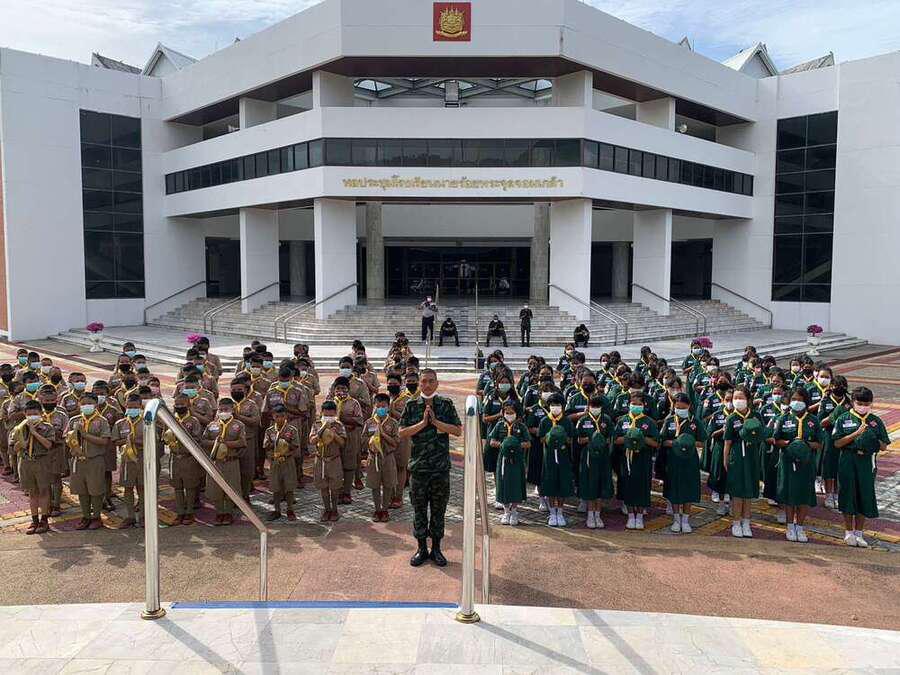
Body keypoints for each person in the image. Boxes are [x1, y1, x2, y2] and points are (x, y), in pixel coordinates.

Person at [399, 368, 461, 567]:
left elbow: (457, 430)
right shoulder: (411, 405)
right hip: (419, 468)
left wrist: (435, 422)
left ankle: (436, 549)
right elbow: (402, 432)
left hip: (439, 468)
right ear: (419, 383)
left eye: (430, 381)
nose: (427, 384)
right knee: (419, 511)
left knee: (438, 511)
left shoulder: (446, 404)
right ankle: (421, 548)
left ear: (437, 383)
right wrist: (422, 423)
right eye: (423, 381)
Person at [832, 386, 889, 547]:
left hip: (866, 462)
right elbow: (837, 443)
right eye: (860, 403)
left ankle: (859, 533)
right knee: (848, 493)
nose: (863, 406)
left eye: (866, 403)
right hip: (848, 459)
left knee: (864, 494)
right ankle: (848, 531)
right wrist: (855, 434)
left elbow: (884, 445)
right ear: (853, 402)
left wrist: (873, 438)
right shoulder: (843, 419)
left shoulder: (875, 421)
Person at [772, 387, 821, 543]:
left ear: (806, 402)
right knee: (790, 494)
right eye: (794, 399)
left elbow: (819, 443)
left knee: (804, 495)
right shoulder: (783, 419)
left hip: (806, 463)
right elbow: (776, 440)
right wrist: (788, 443)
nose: (797, 402)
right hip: (788, 462)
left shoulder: (813, 420)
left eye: (800, 400)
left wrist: (806, 444)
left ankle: (799, 526)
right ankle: (789, 526)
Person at [722, 386, 767, 538]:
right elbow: (727, 441)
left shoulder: (755, 415)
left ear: (748, 399)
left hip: (751, 456)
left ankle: (746, 523)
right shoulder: (731, 418)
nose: (737, 401)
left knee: (748, 491)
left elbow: (762, 435)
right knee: (737, 492)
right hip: (736, 457)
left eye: (741, 398)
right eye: (735, 398)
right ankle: (736, 522)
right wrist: (725, 459)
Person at [660, 393, 706, 533]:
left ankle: (685, 520)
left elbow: (702, 442)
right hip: (673, 459)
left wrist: (689, 443)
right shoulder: (669, 420)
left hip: (690, 460)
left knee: (688, 488)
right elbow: (663, 441)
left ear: (689, 406)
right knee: (674, 488)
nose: (679, 410)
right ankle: (676, 519)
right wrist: (676, 443)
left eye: (682, 407)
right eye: (677, 407)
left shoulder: (695, 422)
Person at [614, 391, 659, 530]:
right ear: (629, 404)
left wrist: (642, 438)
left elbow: (656, 442)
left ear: (643, 405)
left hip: (643, 459)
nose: (636, 406)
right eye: (633, 404)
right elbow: (615, 439)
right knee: (628, 485)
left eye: (639, 404)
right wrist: (629, 437)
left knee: (642, 486)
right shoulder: (623, 420)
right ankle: (630, 516)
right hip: (627, 459)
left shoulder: (649, 422)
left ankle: (639, 516)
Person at [66, 392, 111, 530]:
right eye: (83, 403)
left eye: (89, 403)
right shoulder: (74, 420)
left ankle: (96, 517)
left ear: (96, 404)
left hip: (95, 459)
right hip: (78, 460)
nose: (86, 406)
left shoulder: (102, 421)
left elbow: (104, 441)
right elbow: (67, 438)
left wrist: (85, 435)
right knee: (82, 491)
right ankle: (85, 516)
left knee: (96, 490)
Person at [201, 398, 246, 526]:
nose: (223, 412)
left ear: (232, 410)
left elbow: (242, 442)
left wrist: (226, 443)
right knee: (216, 488)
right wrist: (215, 443)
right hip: (216, 462)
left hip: (231, 461)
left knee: (231, 487)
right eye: (220, 410)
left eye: (226, 409)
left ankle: (228, 512)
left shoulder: (238, 425)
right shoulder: (212, 425)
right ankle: (220, 512)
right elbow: (203, 441)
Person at [13, 399, 56, 534]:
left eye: (35, 414)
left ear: (41, 413)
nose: (32, 417)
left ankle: (44, 519)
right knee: (32, 492)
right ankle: (34, 520)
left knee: (44, 490)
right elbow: (15, 448)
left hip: (41, 461)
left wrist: (35, 433)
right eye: (29, 414)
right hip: (26, 461)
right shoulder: (19, 428)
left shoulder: (47, 427)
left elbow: (48, 445)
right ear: (25, 414)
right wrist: (24, 439)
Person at [574, 395, 614, 529]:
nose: (595, 409)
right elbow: (579, 440)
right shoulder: (583, 420)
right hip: (588, 456)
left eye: (597, 406)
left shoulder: (606, 420)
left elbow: (610, 438)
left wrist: (601, 440)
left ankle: (598, 514)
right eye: (593, 406)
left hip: (603, 456)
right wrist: (591, 438)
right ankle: (590, 514)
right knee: (590, 484)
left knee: (600, 484)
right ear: (588, 407)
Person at [164, 392, 204, 525]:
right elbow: (165, 437)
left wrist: (182, 436)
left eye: (182, 404)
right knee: (177, 486)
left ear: (188, 405)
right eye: (177, 404)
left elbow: (198, 440)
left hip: (188, 458)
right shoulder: (170, 420)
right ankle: (180, 512)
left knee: (190, 486)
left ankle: (190, 512)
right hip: (175, 458)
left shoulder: (193, 421)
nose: (179, 407)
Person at [488, 401, 530, 525]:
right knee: (503, 484)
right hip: (503, 459)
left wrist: (516, 445)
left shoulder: (521, 426)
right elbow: (492, 441)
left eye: (512, 413)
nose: (509, 415)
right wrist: (503, 445)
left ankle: (515, 511)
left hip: (517, 460)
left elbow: (528, 443)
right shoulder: (499, 425)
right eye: (507, 412)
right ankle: (506, 511)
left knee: (516, 484)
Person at [112, 393, 150, 528]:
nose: (131, 409)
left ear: (140, 407)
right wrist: (127, 440)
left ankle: (143, 516)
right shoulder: (120, 424)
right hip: (127, 461)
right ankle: (130, 516)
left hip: (142, 459)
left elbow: (153, 441)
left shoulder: (147, 423)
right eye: (129, 407)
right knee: (127, 488)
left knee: (142, 488)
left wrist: (136, 441)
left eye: (135, 407)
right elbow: (115, 441)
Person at [538, 393, 574, 527]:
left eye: (558, 405)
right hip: (549, 457)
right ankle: (553, 512)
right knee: (550, 483)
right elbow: (541, 438)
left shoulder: (566, 421)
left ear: (562, 406)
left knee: (562, 483)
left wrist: (562, 437)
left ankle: (560, 511)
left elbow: (571, 439)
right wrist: (550, 436)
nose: (555, 407)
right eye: (553, 405)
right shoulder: (544, 421)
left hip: (563, 457)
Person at [363, 393, 399, 522]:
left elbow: (396, 442)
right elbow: (363, 439)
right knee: (375, 485)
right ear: (374, 406)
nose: (380, 409)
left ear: (388, 407)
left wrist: (383, 434)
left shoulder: (393, 423)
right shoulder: (369, 422)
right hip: (374, 458)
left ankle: (385, 510)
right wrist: (371, 440)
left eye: (383, 406)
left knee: (388, 485)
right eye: (378, 406)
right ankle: (377, 509)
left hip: (388, 457)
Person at [310, 400, 346, 522]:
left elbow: (342, 443)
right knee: (323, 487)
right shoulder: (316, 424)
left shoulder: (339, 425)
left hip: (334, 460)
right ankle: (327, 509)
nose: (328, 417)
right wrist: (323, 429)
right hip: (320, 460)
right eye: (326, 414)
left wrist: (334, 434)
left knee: (335, 487)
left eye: (331, 415)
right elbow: (312, 441)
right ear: (321, 413)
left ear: (335, 413)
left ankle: (335, 510)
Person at [330, 376, 364, 504]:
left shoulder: (354, 403)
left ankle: (347, 492)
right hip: (334, 438)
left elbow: (359, 420)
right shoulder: (330, 402)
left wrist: (343, 419)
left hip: (350, 437)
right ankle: (338, 492)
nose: (341, 391)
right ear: (334, 390)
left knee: (349, 466)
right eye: (338, 388)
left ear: (348, 389)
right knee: (336, 465)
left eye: (343, 388)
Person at [263, 404, 300, 522]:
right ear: (273, 416)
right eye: (277, 416)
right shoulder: (270, 431)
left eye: (282, 416)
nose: (280, 419)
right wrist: (276, 442)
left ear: (286, 416)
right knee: (276, 486)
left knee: (289, 486)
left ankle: (290, 509)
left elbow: (296, 446)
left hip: (287, 461)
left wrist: (286, 443)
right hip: (275, 462)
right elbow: (266, 445)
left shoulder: (292, 430)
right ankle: (277, 510)